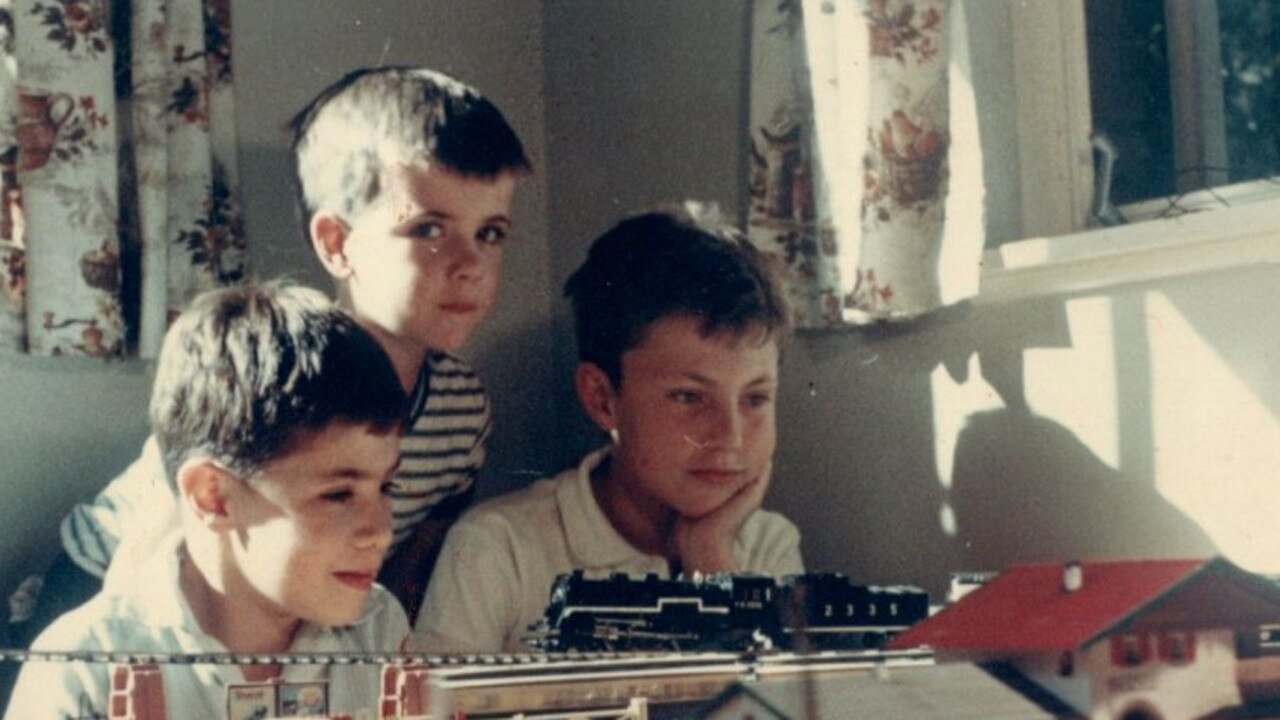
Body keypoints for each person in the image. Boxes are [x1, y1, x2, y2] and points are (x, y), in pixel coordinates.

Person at [25, 66, 532, 642]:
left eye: (490, 232)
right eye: (429, 230)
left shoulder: (462, 408)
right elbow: (155, 560)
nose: (470, 264)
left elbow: (414, 555)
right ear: (337, 244)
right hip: (105, 587)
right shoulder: (277, 372)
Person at [5, 283, 411, 719]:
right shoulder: (84, 666)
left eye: (387, 487)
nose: (381, 532)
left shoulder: (377, 628)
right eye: (338, 494)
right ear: (212, 497)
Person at [414, 203, 804, 653]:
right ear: (602, 399)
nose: (731, 437)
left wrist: (711, 555)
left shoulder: (766, 547)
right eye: (689, 397)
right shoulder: (498, 547)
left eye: (755, 399)